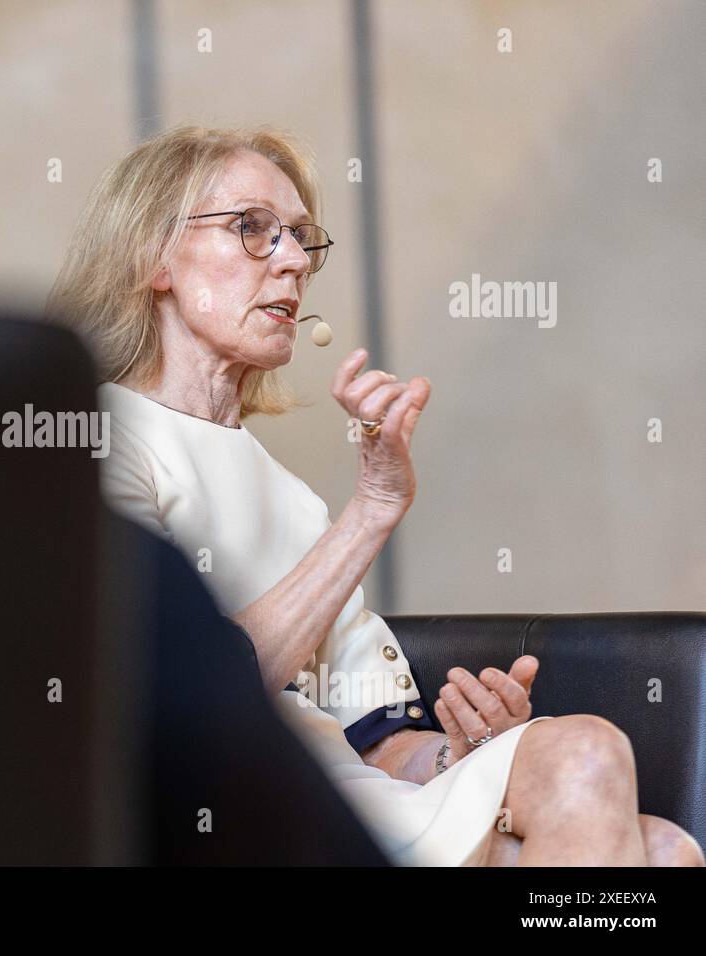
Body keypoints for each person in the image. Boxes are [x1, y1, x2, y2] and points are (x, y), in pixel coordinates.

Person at [49, 123, 704, 866]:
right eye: (252, 230)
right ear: (153, 255)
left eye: (300, 237)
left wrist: (467, 749)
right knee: (589, 762)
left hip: (350, 799)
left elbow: (379, 743)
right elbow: (180, 694)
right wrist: (373, 511)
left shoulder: (292, 499)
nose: (294, 261)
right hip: (228, 808)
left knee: (664, 849)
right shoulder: (97, 436)